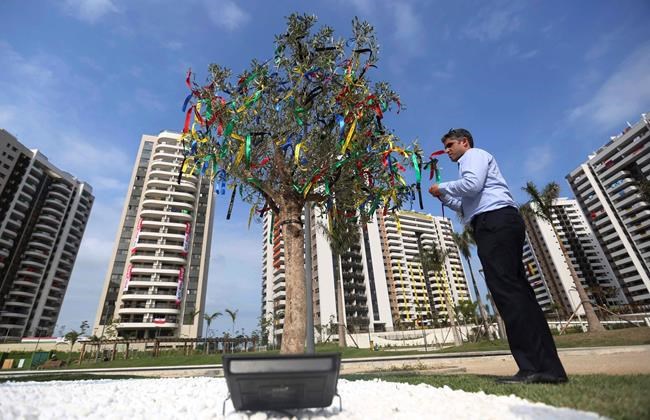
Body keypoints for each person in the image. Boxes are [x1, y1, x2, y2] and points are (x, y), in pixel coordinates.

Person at [429, 128, 567, 384]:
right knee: (518, 293)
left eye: (450, 145)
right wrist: (444, 196)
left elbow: (472, 185)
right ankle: (548, 368)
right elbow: (466, 204)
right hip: (494, 221)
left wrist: (442, 185)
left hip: (495, 222)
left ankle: (532, 367)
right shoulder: (470, 165)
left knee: (507, 292)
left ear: (464, 142)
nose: (447, 150)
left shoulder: (473, 156)